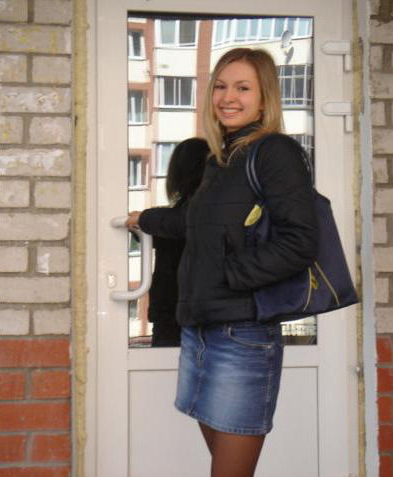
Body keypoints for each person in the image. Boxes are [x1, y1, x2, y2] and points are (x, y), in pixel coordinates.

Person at [126, 48, 318, 477]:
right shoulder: (220, 159)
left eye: (243, 88)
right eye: (220, 86)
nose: (228, 97)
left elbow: (300, 242)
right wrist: (142, 219)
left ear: (264, 99)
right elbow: (191, 222)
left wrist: (231, 275)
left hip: (242, 333)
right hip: (200, 330)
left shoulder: (274, 152)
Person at [133, 138, 209, 347]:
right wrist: (141, 225)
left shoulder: (195, 210)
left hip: (179, 310)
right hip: (189, 309)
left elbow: (180, 226)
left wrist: (143, 220)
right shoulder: (194, 206)